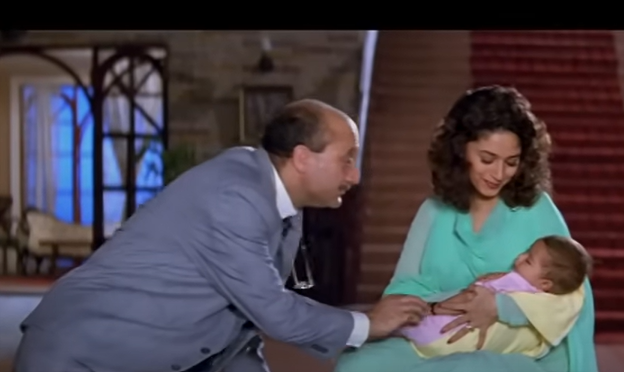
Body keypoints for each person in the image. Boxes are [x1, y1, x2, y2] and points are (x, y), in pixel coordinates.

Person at [14, 99, 430, 372]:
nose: (354, 176)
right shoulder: (235, 197)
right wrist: (368, 323)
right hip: (85, 354)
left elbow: (241, 323)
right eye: (347, 159)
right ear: (303, 158)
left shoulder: (282, 199)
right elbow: (272, 309)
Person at [334, 85, 598, 372]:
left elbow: (572, 296)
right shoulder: (434, 210)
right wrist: (448, 304)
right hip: (438, 333)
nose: (499, 174)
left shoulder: (537, 209)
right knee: (356, 366)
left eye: (511, 163)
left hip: (519, 351)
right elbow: (405, 287)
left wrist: (499, 307)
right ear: (460, 151)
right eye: (487, 159)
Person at [401, 235, 592, 358]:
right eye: (525, 253)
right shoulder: (537, 293)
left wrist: (435, 308)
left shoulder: (521, 289)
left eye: (528, 260)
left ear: (545, 284)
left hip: (442, 338)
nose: (519, 258)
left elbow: (474, 296)